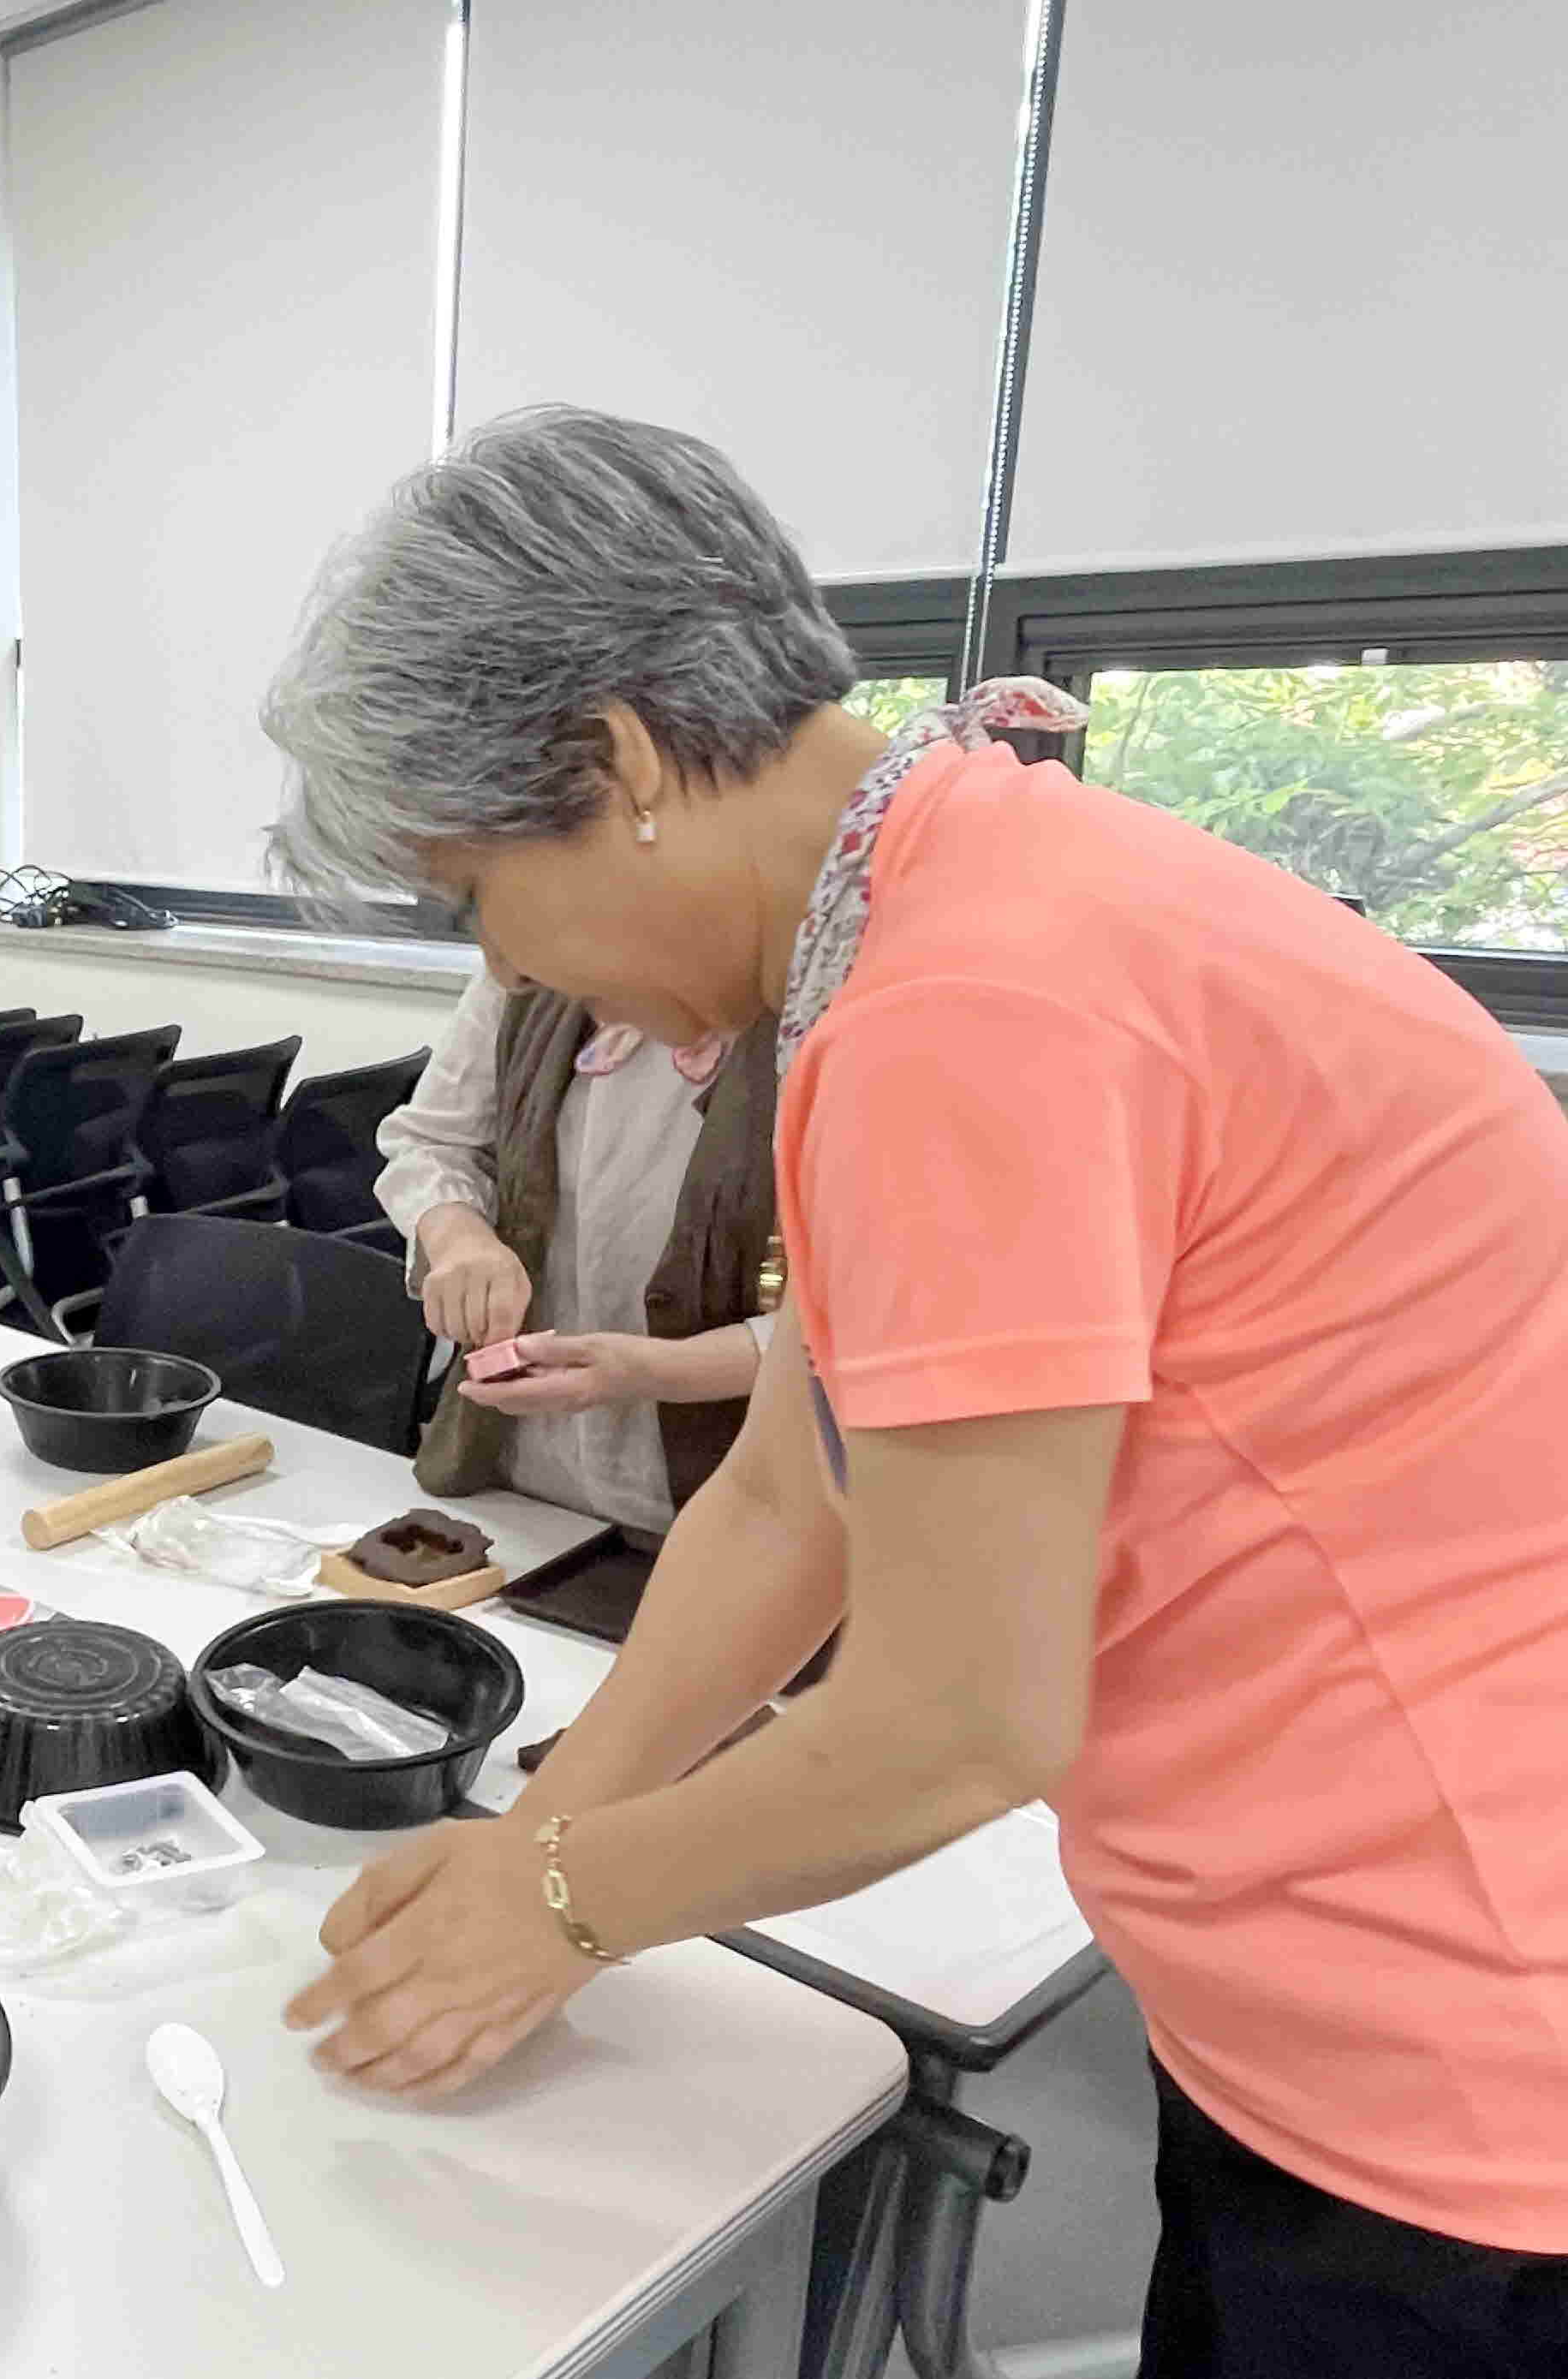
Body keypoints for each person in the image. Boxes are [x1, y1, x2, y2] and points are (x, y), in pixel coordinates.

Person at [263, 408, 1568, 2376]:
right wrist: (555, 1806)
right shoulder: (937, 914)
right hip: (1332, 1974)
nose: (506, 967)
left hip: (1452, 2027)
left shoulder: (968, 999)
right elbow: (799, 1498)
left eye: (470, 898)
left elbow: (957, 1713)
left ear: (613, 767)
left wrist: (557, 1897)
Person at [378, 963, 776, 1541]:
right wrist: (459, 1236)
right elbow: (433, 1139)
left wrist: (645, 1371)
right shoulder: (525, 967)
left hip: (725, 1496)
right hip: (519, 1471)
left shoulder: (821, 1007)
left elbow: (853, 1329)